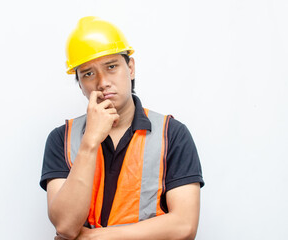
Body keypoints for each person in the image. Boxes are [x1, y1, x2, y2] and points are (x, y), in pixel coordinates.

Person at [40, 16, 204, 240]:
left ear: (131, 67)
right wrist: (89, 142)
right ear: (79, 84)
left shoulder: (172, 134)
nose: (102, 82)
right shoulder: (62, 139)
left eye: (111, 67)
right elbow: (66, 226)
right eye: (88, 73)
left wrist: (93, 237)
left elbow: (184, 226)